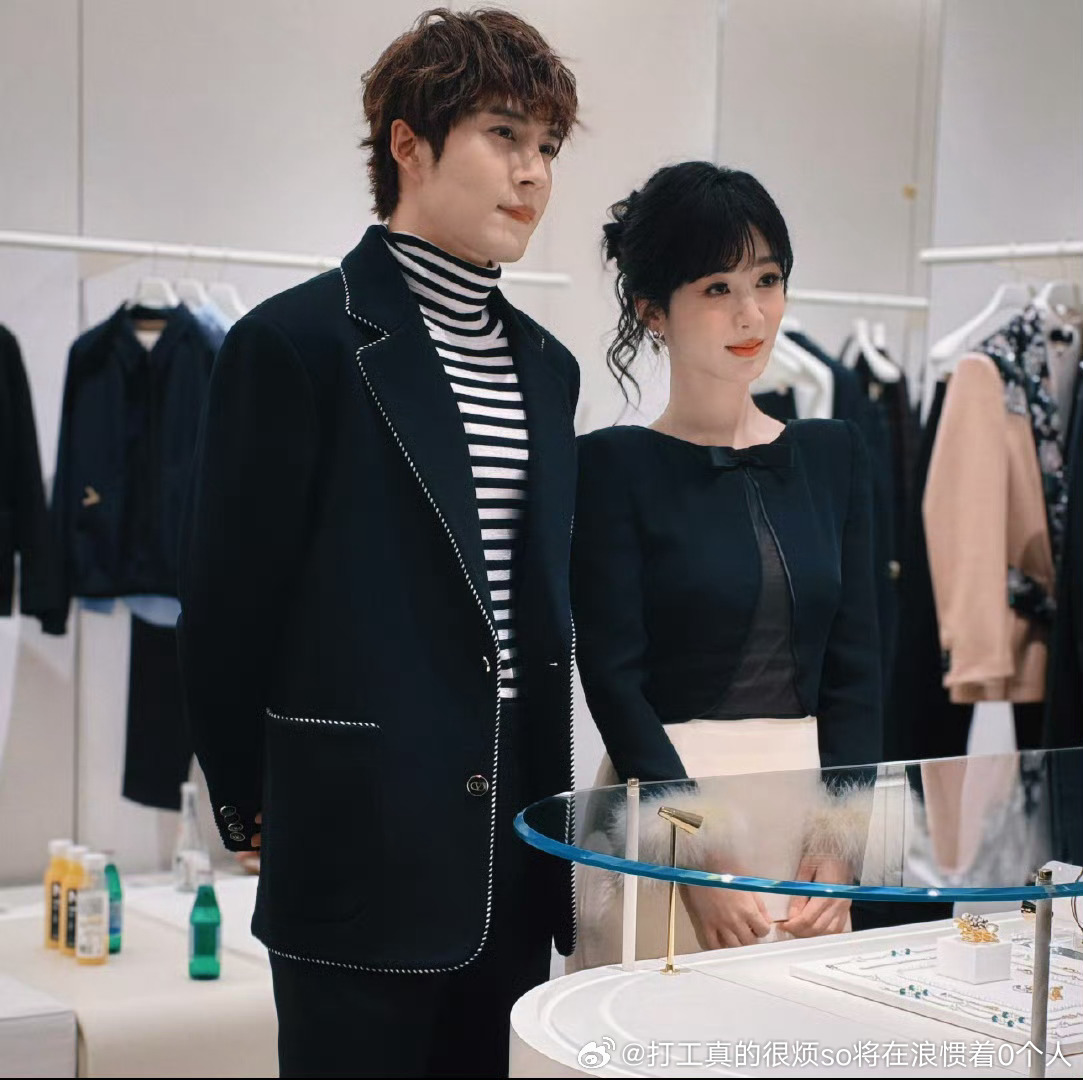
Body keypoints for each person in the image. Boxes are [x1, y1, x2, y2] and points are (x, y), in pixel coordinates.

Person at [177, 9, 579, 1077]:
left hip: (514, 841)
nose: (533, 173)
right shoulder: (294, 343)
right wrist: (249, 797)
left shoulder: (548, 368)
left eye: (547, 147)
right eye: (504, 135)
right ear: (409, 143)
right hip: (356, 835)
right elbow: (227, 601)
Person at [570, 162, 882, 969]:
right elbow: (613, 682)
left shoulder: (834, 454)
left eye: (766, 281)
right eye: (716, 288)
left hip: (808, 828)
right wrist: (692, 852)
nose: (751, 314)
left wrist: (842, 841)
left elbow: (855, 672)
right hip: (666, 815)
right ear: (653, 311)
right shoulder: (612, 466)